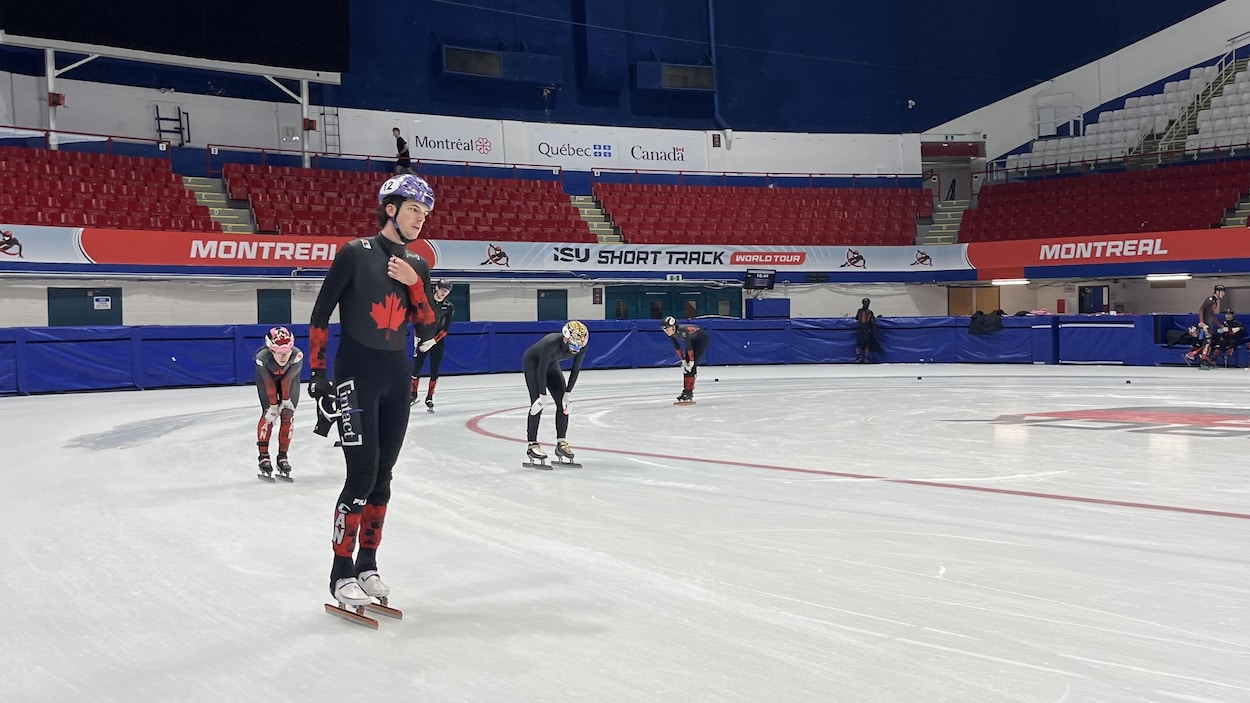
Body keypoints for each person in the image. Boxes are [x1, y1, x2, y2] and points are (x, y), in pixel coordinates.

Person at [308, 173, 437, 609]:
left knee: (383, 478)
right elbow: (321, 315)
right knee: (360, 476)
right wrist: (319, 373)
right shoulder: (354, 254)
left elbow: (429, 326)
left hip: (396, 376)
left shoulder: (417, 265)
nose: (421, 219)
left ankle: (367, 564)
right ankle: (339, 572)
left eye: (425, 213)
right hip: (355, 376)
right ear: (391, 209)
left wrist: (413, 283)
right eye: (415, 209)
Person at [521, 321, 589, 463]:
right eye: (574, 345)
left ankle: (561, 443)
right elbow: (541, 369)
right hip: (534, 363)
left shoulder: (581, 345)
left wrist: (568, 393)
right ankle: (532, 445)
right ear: (565, 338)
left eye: (579, 346)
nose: (576, 349)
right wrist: (541, 394)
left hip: (551, 364)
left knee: (563, 404)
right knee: (537, 404)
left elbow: (575, 370)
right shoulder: (551, 343)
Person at [254, 326, 303, 480]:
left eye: (287, 351)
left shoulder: (297, 355)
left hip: (289, 383)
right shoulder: (262, 358)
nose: (283, 356)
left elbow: (288, 379)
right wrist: (274, 404)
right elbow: (268, 383)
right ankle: (263, 456)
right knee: (269, 414)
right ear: (270, 350)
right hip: (268, 382)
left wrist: (286, 400)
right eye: (279, 352)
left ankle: (283, 457)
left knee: (288, 414)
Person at [411, 279, 455, 411]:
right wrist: (416, 336)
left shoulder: (448, 307)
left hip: (436, 341)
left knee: (434, 370)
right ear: (436, 288)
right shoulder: (426, 301)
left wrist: (433, 341)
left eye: (446, 291)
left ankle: (429, 397)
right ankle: (413, 395)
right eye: (442, 289)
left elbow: (446, 329)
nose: (444, 293)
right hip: (423, 338)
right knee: (416, 369)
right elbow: (417, 318)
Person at [661, 316, 709, 402]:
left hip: (701, 340)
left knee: (692, 366)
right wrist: (683, 360)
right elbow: (677, 347)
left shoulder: (683, 330)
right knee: (686, 368)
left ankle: (689, 392)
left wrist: (691, 361)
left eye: (667, 329)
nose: (666, 331)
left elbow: (689, 346)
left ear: (673, 327)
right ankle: (685, 391)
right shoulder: (670, 333)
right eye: (664, 329)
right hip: (692, 340)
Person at [1185, 284, 1225, 367]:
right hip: (1205, 325)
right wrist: (1202, 322)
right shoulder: (1210, 299)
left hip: (1209, 325)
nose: (1223, 295)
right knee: (1207, 342)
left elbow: (1212, 315)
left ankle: (1197, 356)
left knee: (1207, 342)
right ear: (1217, 292)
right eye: (1222, 293)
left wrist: (1218, 324)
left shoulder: (1214, 302)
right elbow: (1201, 309)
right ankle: (1203, 360)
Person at [855, 297, 881, 363]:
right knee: (859, 342)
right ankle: (858, 357)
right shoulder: (859, 311)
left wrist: (878, 318)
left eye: (867, 303)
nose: (866, 304)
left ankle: (866, 357)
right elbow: (857, 318)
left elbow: (873, 320)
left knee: (867, 343)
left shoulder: (870, 312)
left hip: (866, 328)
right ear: (862, 303)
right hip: (860, 327)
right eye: (865, 302)